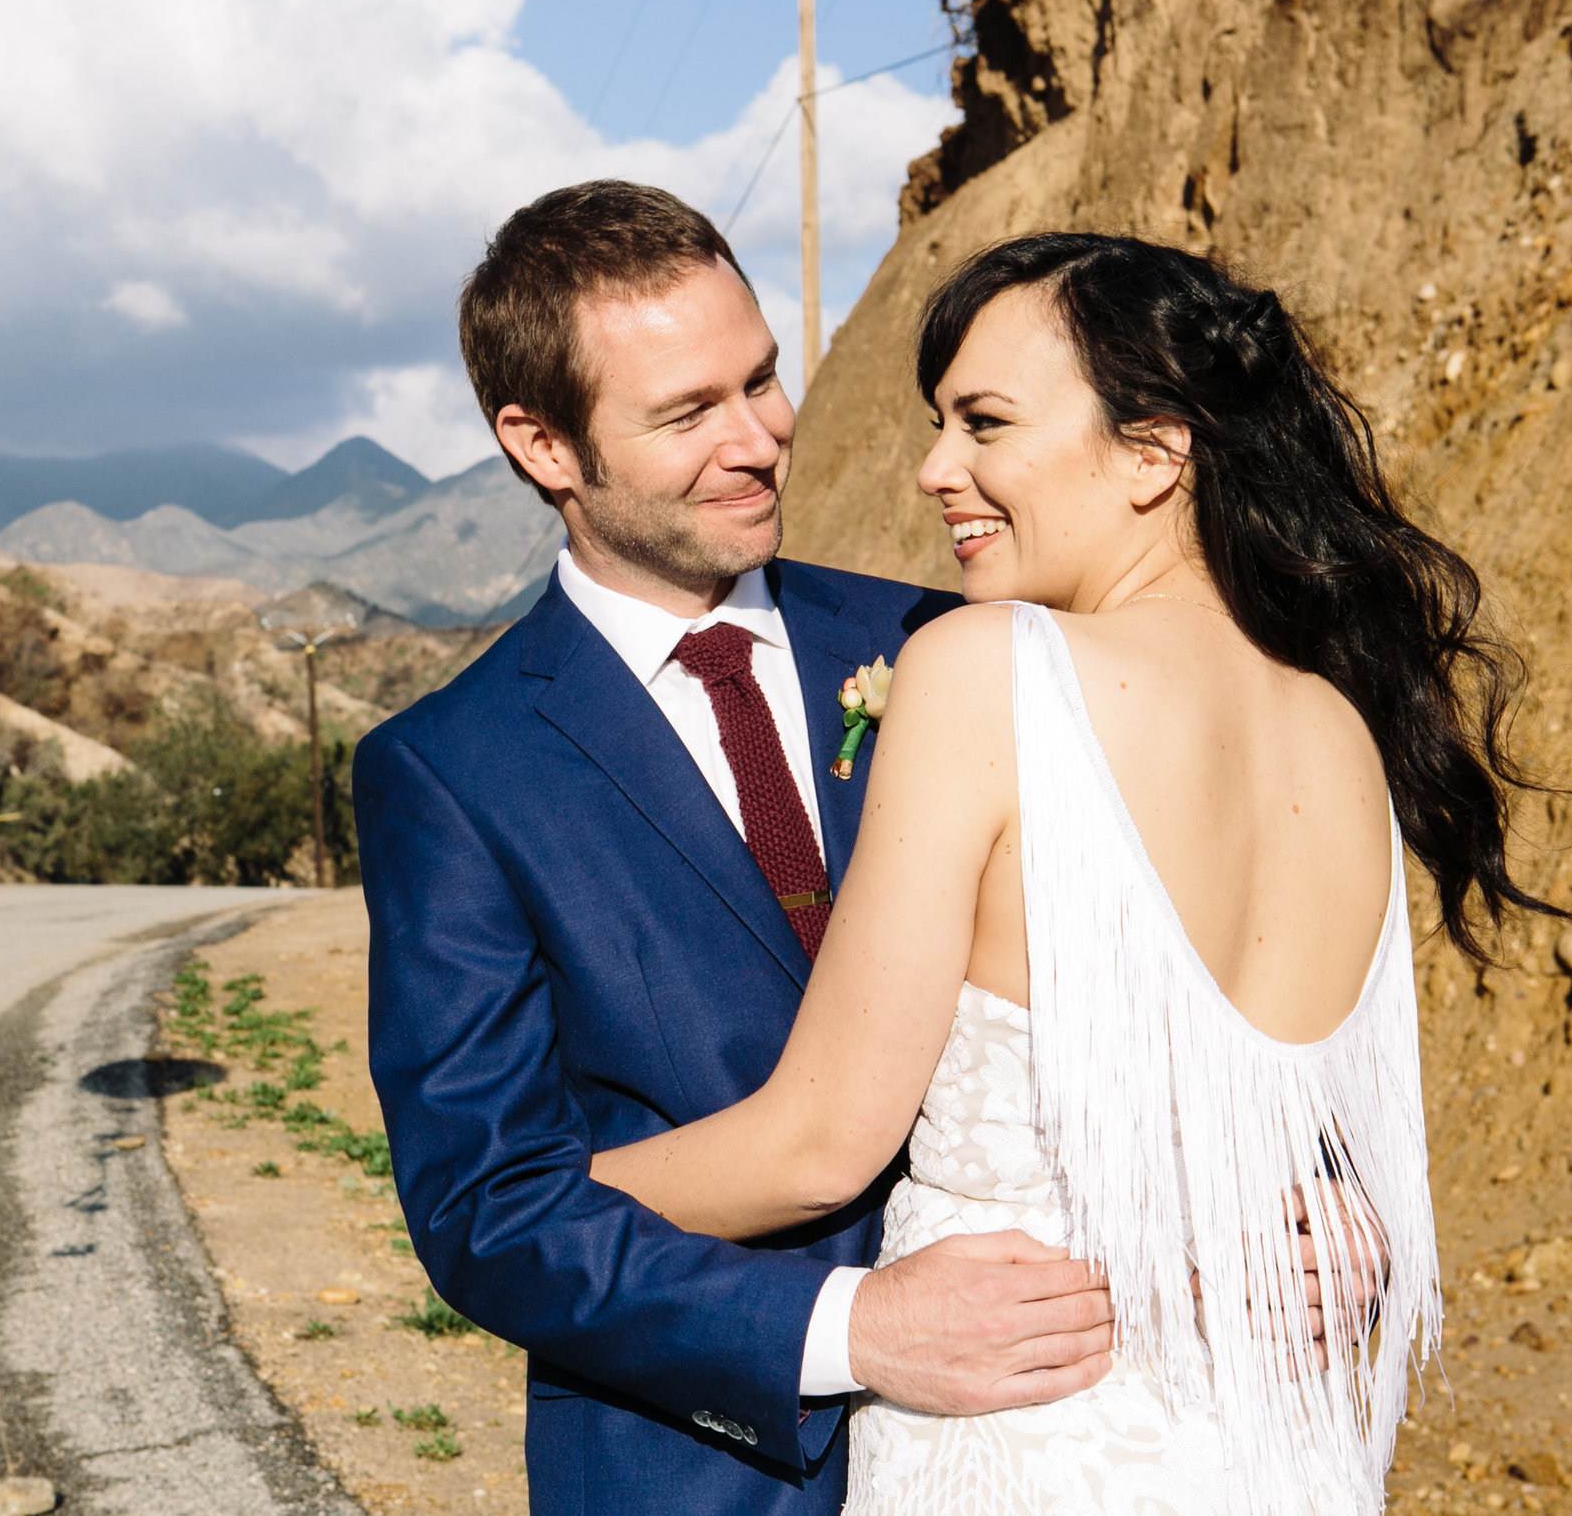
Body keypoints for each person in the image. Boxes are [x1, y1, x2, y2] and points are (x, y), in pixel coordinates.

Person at [588, 233, 1558, 1514]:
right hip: (1284, 1456)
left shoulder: (994, 669)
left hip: (1031, 1441)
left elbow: (821, 1142)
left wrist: (534, 1200)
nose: (936, 470)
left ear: (1156, 451)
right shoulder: (1345, 724)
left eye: (984, 422)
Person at [355, 184, 1120, 1516]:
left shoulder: (950, 642)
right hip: (706, 1468)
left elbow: (1159, 940)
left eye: (762, 377)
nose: (761, 437)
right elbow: (489, 1213)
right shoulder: (449, 772)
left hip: (1057, 1414)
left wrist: (1282, 1181)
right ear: (543, 443)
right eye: (687, 411)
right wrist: (849, 1328)